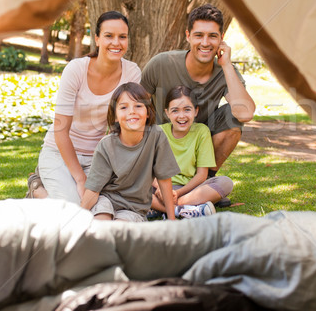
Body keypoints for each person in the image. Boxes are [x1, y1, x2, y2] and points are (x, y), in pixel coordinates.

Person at [141, 4, 255, 199]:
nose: (205, 42)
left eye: (212, 36)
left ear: (221, 38)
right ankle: (171, 192)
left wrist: (226, 65)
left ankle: (202, 182)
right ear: (188, 36)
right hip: (161, 145)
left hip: (198, 145)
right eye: (199, 35)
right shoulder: (161, 63)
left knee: (233, 117)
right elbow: (137, 107)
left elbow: (245, 113)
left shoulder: (227, 72)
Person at [28, 11, 141, 203]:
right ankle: (37, 188)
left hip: (98, 157)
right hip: (59, 153)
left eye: (122, 37)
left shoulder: (132, 72)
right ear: (97, 39)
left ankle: (42, 194)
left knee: (101, 207)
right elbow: (60, 130)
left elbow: (123, 127)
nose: (116, 43)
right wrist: (81, 179)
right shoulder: (76, 69)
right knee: (73, 206)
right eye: (109, 36)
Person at [80, 82, 179, 221]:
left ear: (148, 112)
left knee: (118, 234)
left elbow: (164, 179)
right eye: (123, 107)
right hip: (106, 200)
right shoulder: (106, 146)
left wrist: (172, 219)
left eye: (138, 106)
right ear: (115, 116)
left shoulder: (157, 137)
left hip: (134, 208)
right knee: (100, 228)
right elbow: (93, 190)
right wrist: (75, 220)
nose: (132, 111)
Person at [151, 85, 234, 219]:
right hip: (159, 188)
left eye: (187, 109)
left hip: (189, 190)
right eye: (175, 110)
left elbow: (202, 175)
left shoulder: (201, 131)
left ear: (195, 111)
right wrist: (161, 189)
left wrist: (177, 194)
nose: (181, 116)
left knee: (225, 183)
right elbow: (148, 170)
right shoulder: (158, 132)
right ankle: (184, 210)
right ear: (167, 113)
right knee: (133, 186)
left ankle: (164, 208)